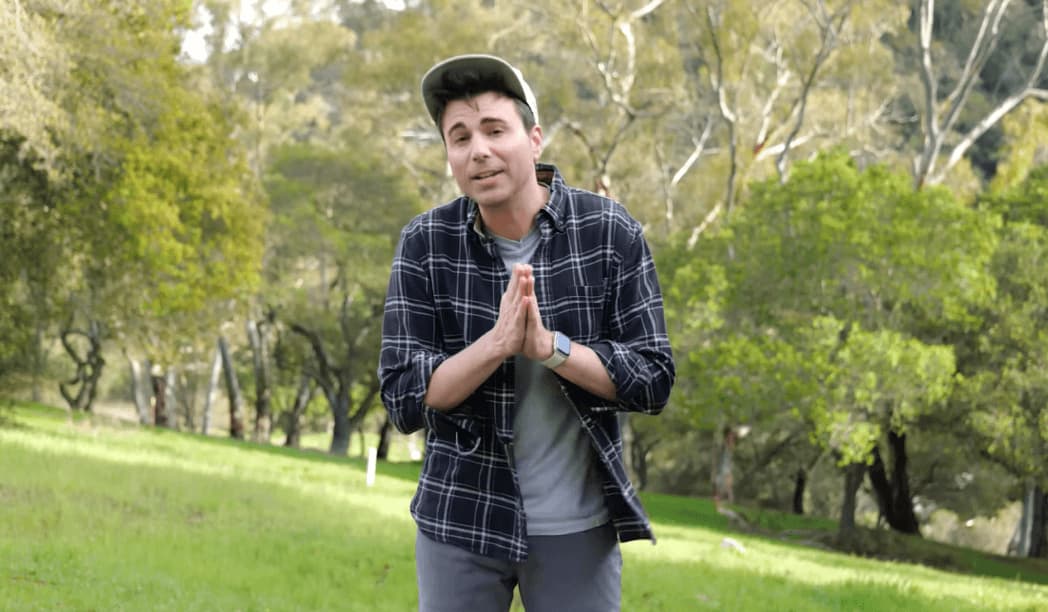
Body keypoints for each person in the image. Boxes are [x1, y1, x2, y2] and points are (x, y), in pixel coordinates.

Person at [378, 54, 675, 612]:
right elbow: (403, 397)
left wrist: (552, 350)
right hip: (460, 518)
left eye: (495, 130)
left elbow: (653, 379)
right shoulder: (425, 244)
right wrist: (495, 345)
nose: (478, 151)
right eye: (459, 137)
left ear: (534, 139)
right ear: (449, 155)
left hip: (579, 528)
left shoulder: (609, 233)